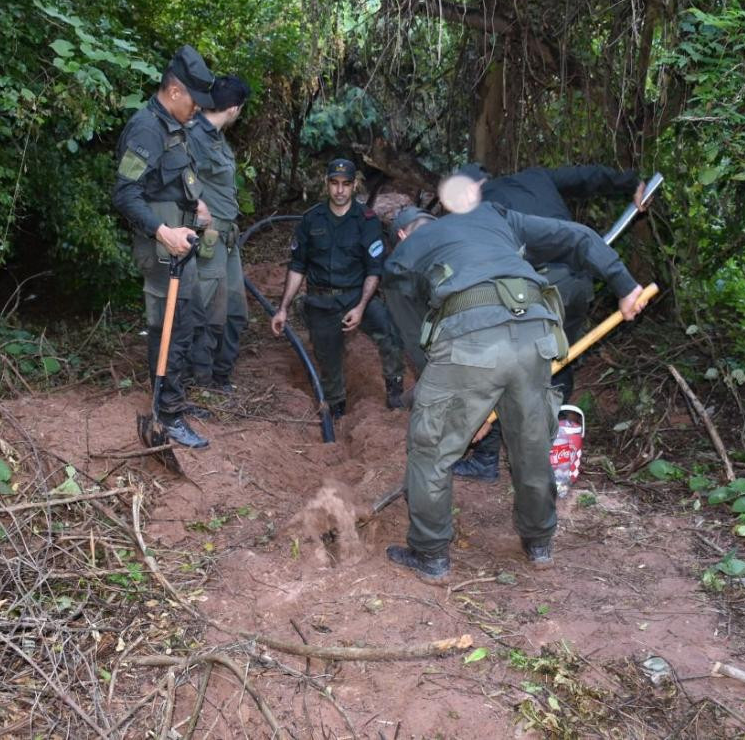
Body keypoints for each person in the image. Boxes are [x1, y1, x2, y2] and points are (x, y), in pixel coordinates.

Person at [382, 176, 646, 584]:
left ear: (402, 234)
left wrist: (448, 398)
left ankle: (430, 553)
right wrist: (625, 287)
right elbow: (579, 237)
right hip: (537, 335)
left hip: (469, 341)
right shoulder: (493, 215)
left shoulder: (402, 259)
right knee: (531, 444)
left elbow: (417, 342)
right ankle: (538, 543)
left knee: (430, 449)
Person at [450, 162, 651, 481]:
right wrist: (632, 182)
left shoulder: (481, 209)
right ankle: (551, 445)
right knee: (562, 358)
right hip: (579, 283)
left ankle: (486, 460)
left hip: (539, 291)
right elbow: (589, 176)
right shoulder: (534, 177)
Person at [112, 45, 215, 449]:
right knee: (171, 325)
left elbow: (174, 182)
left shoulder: (174, 126)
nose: (198, 110)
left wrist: (196, 206)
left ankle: (171, 400)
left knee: (182, 323)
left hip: (179, 244)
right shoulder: (146, 130)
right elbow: (125, 194)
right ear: (174, 91)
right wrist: (163, 231)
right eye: (194, 101)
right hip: (162, 249)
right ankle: (167, 415)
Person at [270, 159, 406, 418]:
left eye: (346, 184)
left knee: (390, 332)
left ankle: (396, 392)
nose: (340, 190)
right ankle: (337, 409)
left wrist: (361, 307)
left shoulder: (366, 220)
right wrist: (282, 309)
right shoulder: (311, 219)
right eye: (334, 183)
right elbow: (297, 266)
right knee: (328, 361)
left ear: (354, 185)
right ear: (327, 184)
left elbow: (373, 269)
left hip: (358, 296)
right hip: (321, 302)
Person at [186, 75, 251, 393]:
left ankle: (221, 377)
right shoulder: (194, 134)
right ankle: (200, 383)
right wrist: (198, 205)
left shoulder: (216, 138)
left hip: (229, 241)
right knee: (208, 315)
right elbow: (175, 171)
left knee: (235, 313)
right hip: (209, 240)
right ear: (235, 109)